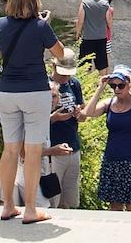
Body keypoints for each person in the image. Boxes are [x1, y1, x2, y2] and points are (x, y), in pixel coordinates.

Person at [0, 0, 65, 224]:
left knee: (10, 149)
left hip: (7, 91)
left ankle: (8, 206)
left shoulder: (0, 24)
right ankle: (31, 209)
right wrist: (44, 25)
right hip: (34, 91)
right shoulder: (41, 26)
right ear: (35, 0)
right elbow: (61, 53)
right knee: (33, 151)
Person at [87, 65, 131, 212]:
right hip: (111, 160)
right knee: (114, 207)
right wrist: (100, 88)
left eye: (121, 85)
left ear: (128, 85)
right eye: (113, 86)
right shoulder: (109, 103)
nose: (117, 89)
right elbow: (88, 112)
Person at [47, 50, 85, 208]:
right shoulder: (46, 85)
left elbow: (83, 115)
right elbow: (34, 120)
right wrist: (53, 118)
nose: (65, 78)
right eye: (62, 73)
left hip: (73, 147)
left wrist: (79, 113)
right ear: (54, 66)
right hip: (53, 150)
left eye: (68, 74)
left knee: (70, 200)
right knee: (53, 198)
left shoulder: (74, 84)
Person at [75, 0, 113, 75]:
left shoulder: (84, 4)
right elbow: (109, 22)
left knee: (85, 63)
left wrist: (78, 33)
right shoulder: (105, 4)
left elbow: (80, 21)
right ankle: (102, 84)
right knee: (102, 64)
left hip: (88, 38)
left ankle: (87, 83)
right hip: (101, 38)